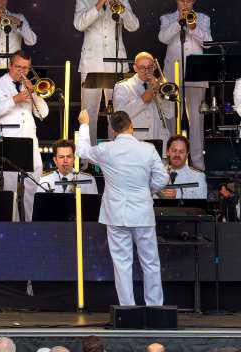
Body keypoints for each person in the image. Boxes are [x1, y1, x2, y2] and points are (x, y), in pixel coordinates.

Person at [76, 109, 169, 306]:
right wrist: (146, 191)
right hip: (142, 213)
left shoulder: (106, 149)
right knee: (150, 262)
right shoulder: (147, 149)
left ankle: (127, 309)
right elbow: (162, 178)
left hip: (116, 214)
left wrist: (84, 124)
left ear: (112, 130)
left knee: (122, 264)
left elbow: (82, 151)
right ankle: (155, 308)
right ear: (131, 126)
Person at [74, 0, 141, 145]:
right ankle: (88, 155)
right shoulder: (83, 1)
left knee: (118, 112)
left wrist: (119, 7)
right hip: (91, 65)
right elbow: (79, 24)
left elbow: (134, 26)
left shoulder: (122, 1)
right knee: (89, 113)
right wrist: (98, 5)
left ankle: (117, 151)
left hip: (116, 64)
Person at [0, 51, 49, 221]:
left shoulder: (29, 85)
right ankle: (12, 229)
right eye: (18, 67)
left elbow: (43, 114)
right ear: (10, 65)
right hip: (8, 143)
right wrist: (15, 99)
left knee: (33, 189)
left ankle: (31, 227)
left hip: (29, 143)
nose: (22, 71)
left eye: (25, 68)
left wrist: (34, 93)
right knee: (10, 191)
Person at [158, 0, 212, 165]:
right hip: (172, 76)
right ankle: (172, 163)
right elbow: (163, 38)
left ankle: (197, 163)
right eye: (182, 1)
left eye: (189, 1)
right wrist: (178, 22)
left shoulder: (203, 18)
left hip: (196, 76)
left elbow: (208, 43)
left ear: (194, 1)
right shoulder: (167, 18)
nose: (185, 5)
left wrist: (194, 27)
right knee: (172, 119)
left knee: (196, 121)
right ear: (176, 0)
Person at [113, 52, 176, 144]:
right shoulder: (123, 86)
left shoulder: (161, 86)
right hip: (135, 140)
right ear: (135, 68)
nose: (146, 71)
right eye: (142, 67)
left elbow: (170, 113)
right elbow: (120, 116)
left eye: (150, 67)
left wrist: (160, 94)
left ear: (154, 67)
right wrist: (142, 100)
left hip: (159, 139)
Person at [155, 135, 207, 201]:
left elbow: (201, 203)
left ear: (187, 154)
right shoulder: (156, 175)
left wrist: (177, 196)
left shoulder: (198, 177)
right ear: (167, 152)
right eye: (174, 151)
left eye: (181, 152)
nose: (177, 155)